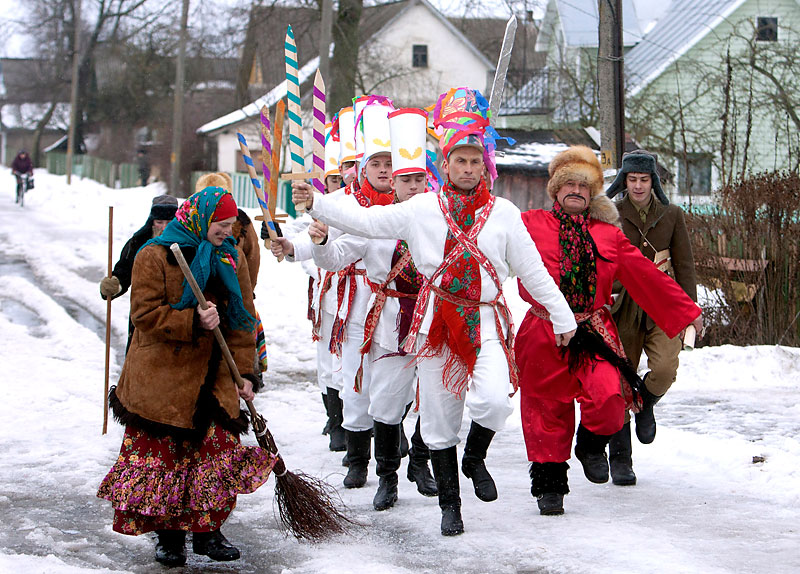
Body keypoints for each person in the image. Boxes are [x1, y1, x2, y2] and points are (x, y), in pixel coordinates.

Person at [293, 88, 577, 536]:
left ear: (485, 166)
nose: (467, 168)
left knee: (494, 401)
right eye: (459, 161)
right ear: (443, 165)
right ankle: (450, 505)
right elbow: (366, 224)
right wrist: (317, 204)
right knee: (440, 421)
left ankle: (476, 457)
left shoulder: (504, 213)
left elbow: (535, 273)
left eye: (474, 161)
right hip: (434, 323)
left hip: (483, 320)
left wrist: (564, 318)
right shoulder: (421, 208)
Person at [514, 146, 703, 516]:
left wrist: (687, 312)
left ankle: (589, 443)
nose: (575, 191)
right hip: (543, 330)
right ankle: (550, 486)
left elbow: (647, 277)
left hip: (593, 330)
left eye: (584, 186)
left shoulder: (608, 236)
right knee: (545, 410)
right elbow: (488, 236)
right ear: (555, 188)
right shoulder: (528, 223)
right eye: (568, 183)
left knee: (611, 398)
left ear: (593, 194)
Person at [97, 187, 276, 567]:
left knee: (214, 457)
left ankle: (208, 531)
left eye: (231, 225)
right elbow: (144, 316)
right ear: (201, 219)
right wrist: (191, 319)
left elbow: (244, 320)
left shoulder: (231, 257)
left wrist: (246, 372)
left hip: (214, 376)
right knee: (167, 460)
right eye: (221, 224)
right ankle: (170, 539)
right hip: (164, 378)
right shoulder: (155, 255)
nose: (227, 232)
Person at [308, 107, 438, 511]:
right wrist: (320, 241)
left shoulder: (441, 218)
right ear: (394, 184)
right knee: (382, 400)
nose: (413, 186)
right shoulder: (375, 219)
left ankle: (421, 461)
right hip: (388, 326)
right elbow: (335, 258)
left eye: (420, 179)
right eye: (405, 180)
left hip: (436, 322)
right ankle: (387, 478)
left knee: (436, 401)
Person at [274, 99, 397, 491]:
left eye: (389, 165)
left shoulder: (408, 206)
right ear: (362, 169)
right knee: (354, 383)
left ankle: (399, 459)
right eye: (376, 164)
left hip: (398, 307)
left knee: (396, 387)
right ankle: (358, 460)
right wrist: (294, 248)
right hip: (353, 304)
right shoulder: (342, 203)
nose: (384, 171)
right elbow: (323, 243)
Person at [605, 150, 698, 485]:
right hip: (623, 304)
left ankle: (644, 404)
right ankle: (621, 461)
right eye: (633, 179)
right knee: (619, 381)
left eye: (645, 179)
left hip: (662, 301)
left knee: (664, 368)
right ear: (624, 181)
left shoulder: (672, 214)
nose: (639, 186)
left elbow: (685, 266)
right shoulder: (610, 212)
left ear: (653, 181)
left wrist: (691, 311)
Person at [99, 194, 179, 351]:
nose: (164, 228)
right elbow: (124, 271)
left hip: (176, 320)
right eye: (159, 222)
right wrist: (115, 285)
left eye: (169, 223)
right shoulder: (138, 243)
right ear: (152, 222)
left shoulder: (187, 245)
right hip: (144, 319)